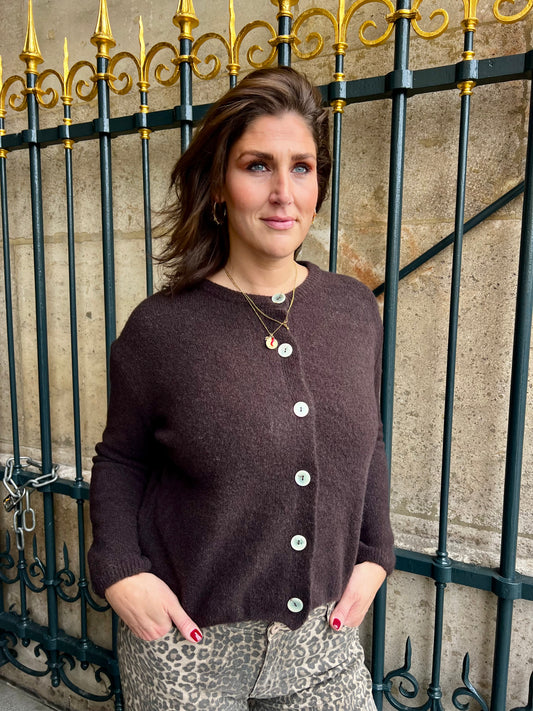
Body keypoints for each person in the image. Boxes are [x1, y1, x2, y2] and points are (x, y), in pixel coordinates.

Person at [88, 66, 395, 711]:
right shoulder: (161, 328)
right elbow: (121, 458)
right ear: (218, 187)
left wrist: (375, 551)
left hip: (322, 642)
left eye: (302, 168)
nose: (284, 193)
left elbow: (369, 439)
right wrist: (119, 568)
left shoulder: (353, 310)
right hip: (186, 646)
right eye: (258, 166)